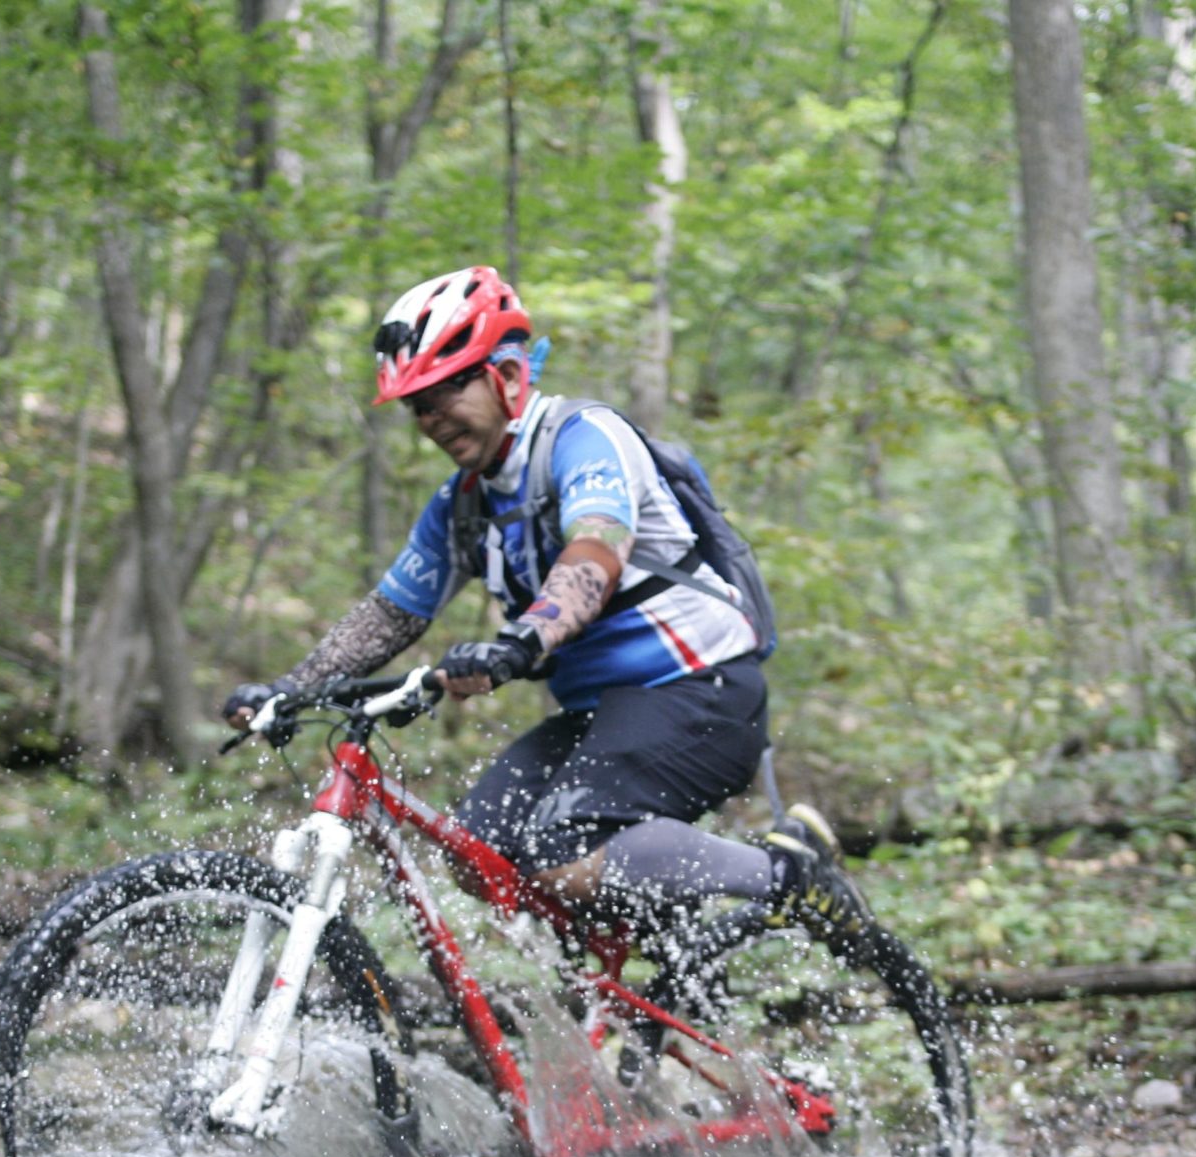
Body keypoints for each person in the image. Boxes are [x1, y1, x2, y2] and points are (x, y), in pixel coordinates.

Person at [224, 265, 866, 939]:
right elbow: (392, 613)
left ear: (506, 374)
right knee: (480, 855)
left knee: (560, 846)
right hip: (601, 711)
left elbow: (594, 551)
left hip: (699, 689)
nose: (433, 418)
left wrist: (522, 640)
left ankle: (791, 876)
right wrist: (289, 689)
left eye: (445, 391)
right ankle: (629, 968)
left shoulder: (585, 438)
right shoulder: (462, 503)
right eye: (419, 406)